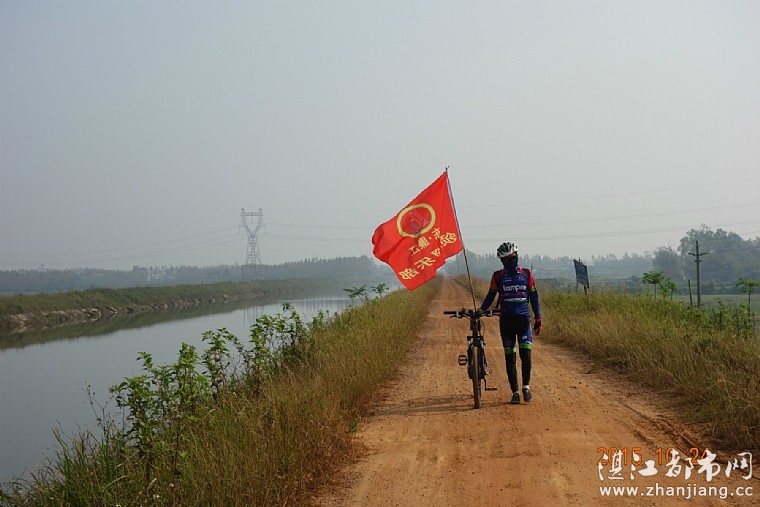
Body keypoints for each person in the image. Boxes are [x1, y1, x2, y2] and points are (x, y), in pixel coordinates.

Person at [478, 242, 542, 404]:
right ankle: (515, 392)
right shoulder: (497, 276)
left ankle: (526, 387)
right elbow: (490, 296)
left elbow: (534, 297)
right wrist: (481, 310)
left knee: (526, 356)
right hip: (506, 322)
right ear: (502, 261)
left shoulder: (526, 274)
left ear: (517, 256)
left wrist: (538, 318)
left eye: (512, 258)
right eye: (506, 259)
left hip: (523, 321)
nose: (510, 261)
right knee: (510, 358)